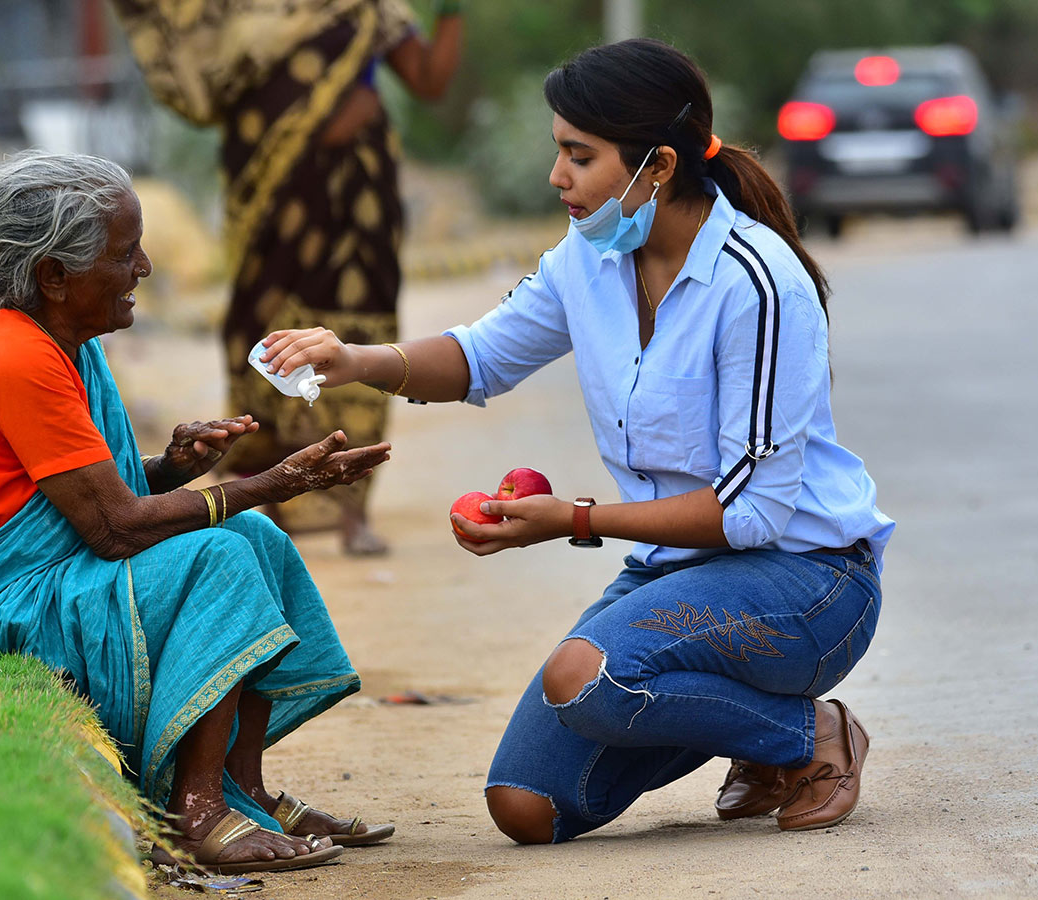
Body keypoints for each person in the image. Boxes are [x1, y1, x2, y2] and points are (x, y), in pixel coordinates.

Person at [257, 39, 896, 844]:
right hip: (681, 574)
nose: (556, 176)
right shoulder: (588, 260)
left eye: (578, 155)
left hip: (807, 582)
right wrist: (354, 360)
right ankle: (751, 737)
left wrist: (577, 520)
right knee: (527, 806)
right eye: (558, 150)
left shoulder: (756, 282)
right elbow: (479, 357)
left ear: (656, 166)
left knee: (585, 677)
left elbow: (753, 513)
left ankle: (807, 739)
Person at [0, 151, 397, 873]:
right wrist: (274, 480)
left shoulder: (42, 331)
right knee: (220, 553)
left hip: (12, 572)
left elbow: (58, 495)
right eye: (124, 253)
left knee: (252, 537)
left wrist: (172, 471)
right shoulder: (17, 354)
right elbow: (111, 530)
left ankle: (242, 789)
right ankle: (197, 810)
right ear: (54, 275)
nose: (143, 266)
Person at [110, 0, 463, 555]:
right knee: (260, 325)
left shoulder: (367, 5)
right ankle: (268, 503)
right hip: (269, 192)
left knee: (359, 330)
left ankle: (352, 508)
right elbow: (201, 75)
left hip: (355, 190)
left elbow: (428, 78)